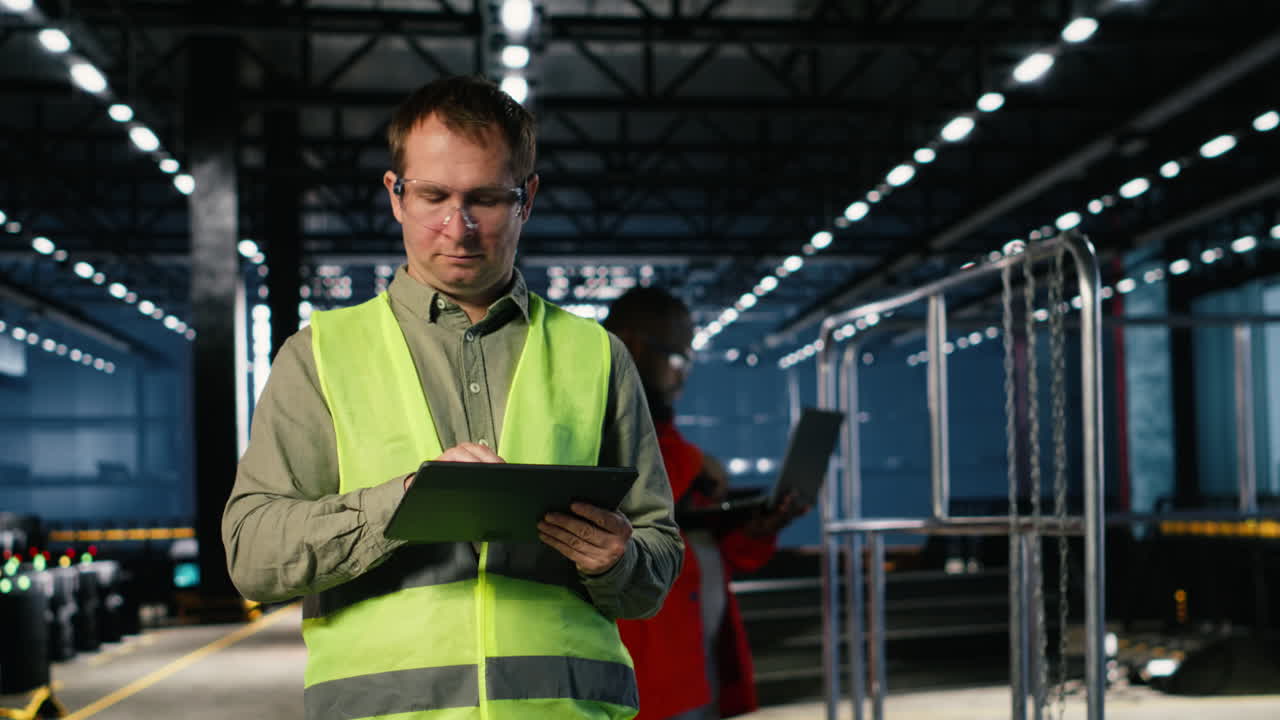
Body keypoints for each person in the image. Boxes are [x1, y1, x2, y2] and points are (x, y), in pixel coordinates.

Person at [222, 76, 683, 720]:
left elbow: (657, 561)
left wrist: (620, 559)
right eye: (433, 195)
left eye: (487, 200)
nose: (457, 227)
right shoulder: (320, 355)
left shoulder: (596, 355)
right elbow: (253, 553)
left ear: (528, 200)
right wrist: (402, 503)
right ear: (395, 195)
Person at [604, 287, 808, 720]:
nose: (682, 376)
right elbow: (632, 499)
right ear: (633, 345)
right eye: (677, 358)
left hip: (692, 655)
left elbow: (695, 539)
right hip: (646, 672)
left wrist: (757, 529)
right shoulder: (601, 418)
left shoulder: (668, 436)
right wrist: (697, 462)